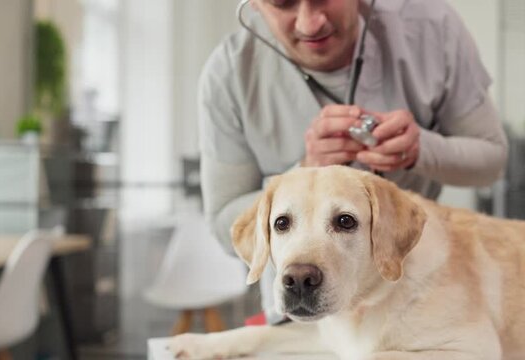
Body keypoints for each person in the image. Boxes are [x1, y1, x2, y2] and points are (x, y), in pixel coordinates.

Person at [198, 0, 508, 324]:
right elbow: (224, 222)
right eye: (282, 3)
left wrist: (422, 149)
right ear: (255, 5)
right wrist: (302, 172)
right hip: (301, 310)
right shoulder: (229, 73)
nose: (310, 23)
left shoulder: (433, 29)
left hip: (414, 298)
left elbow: (492, 160)